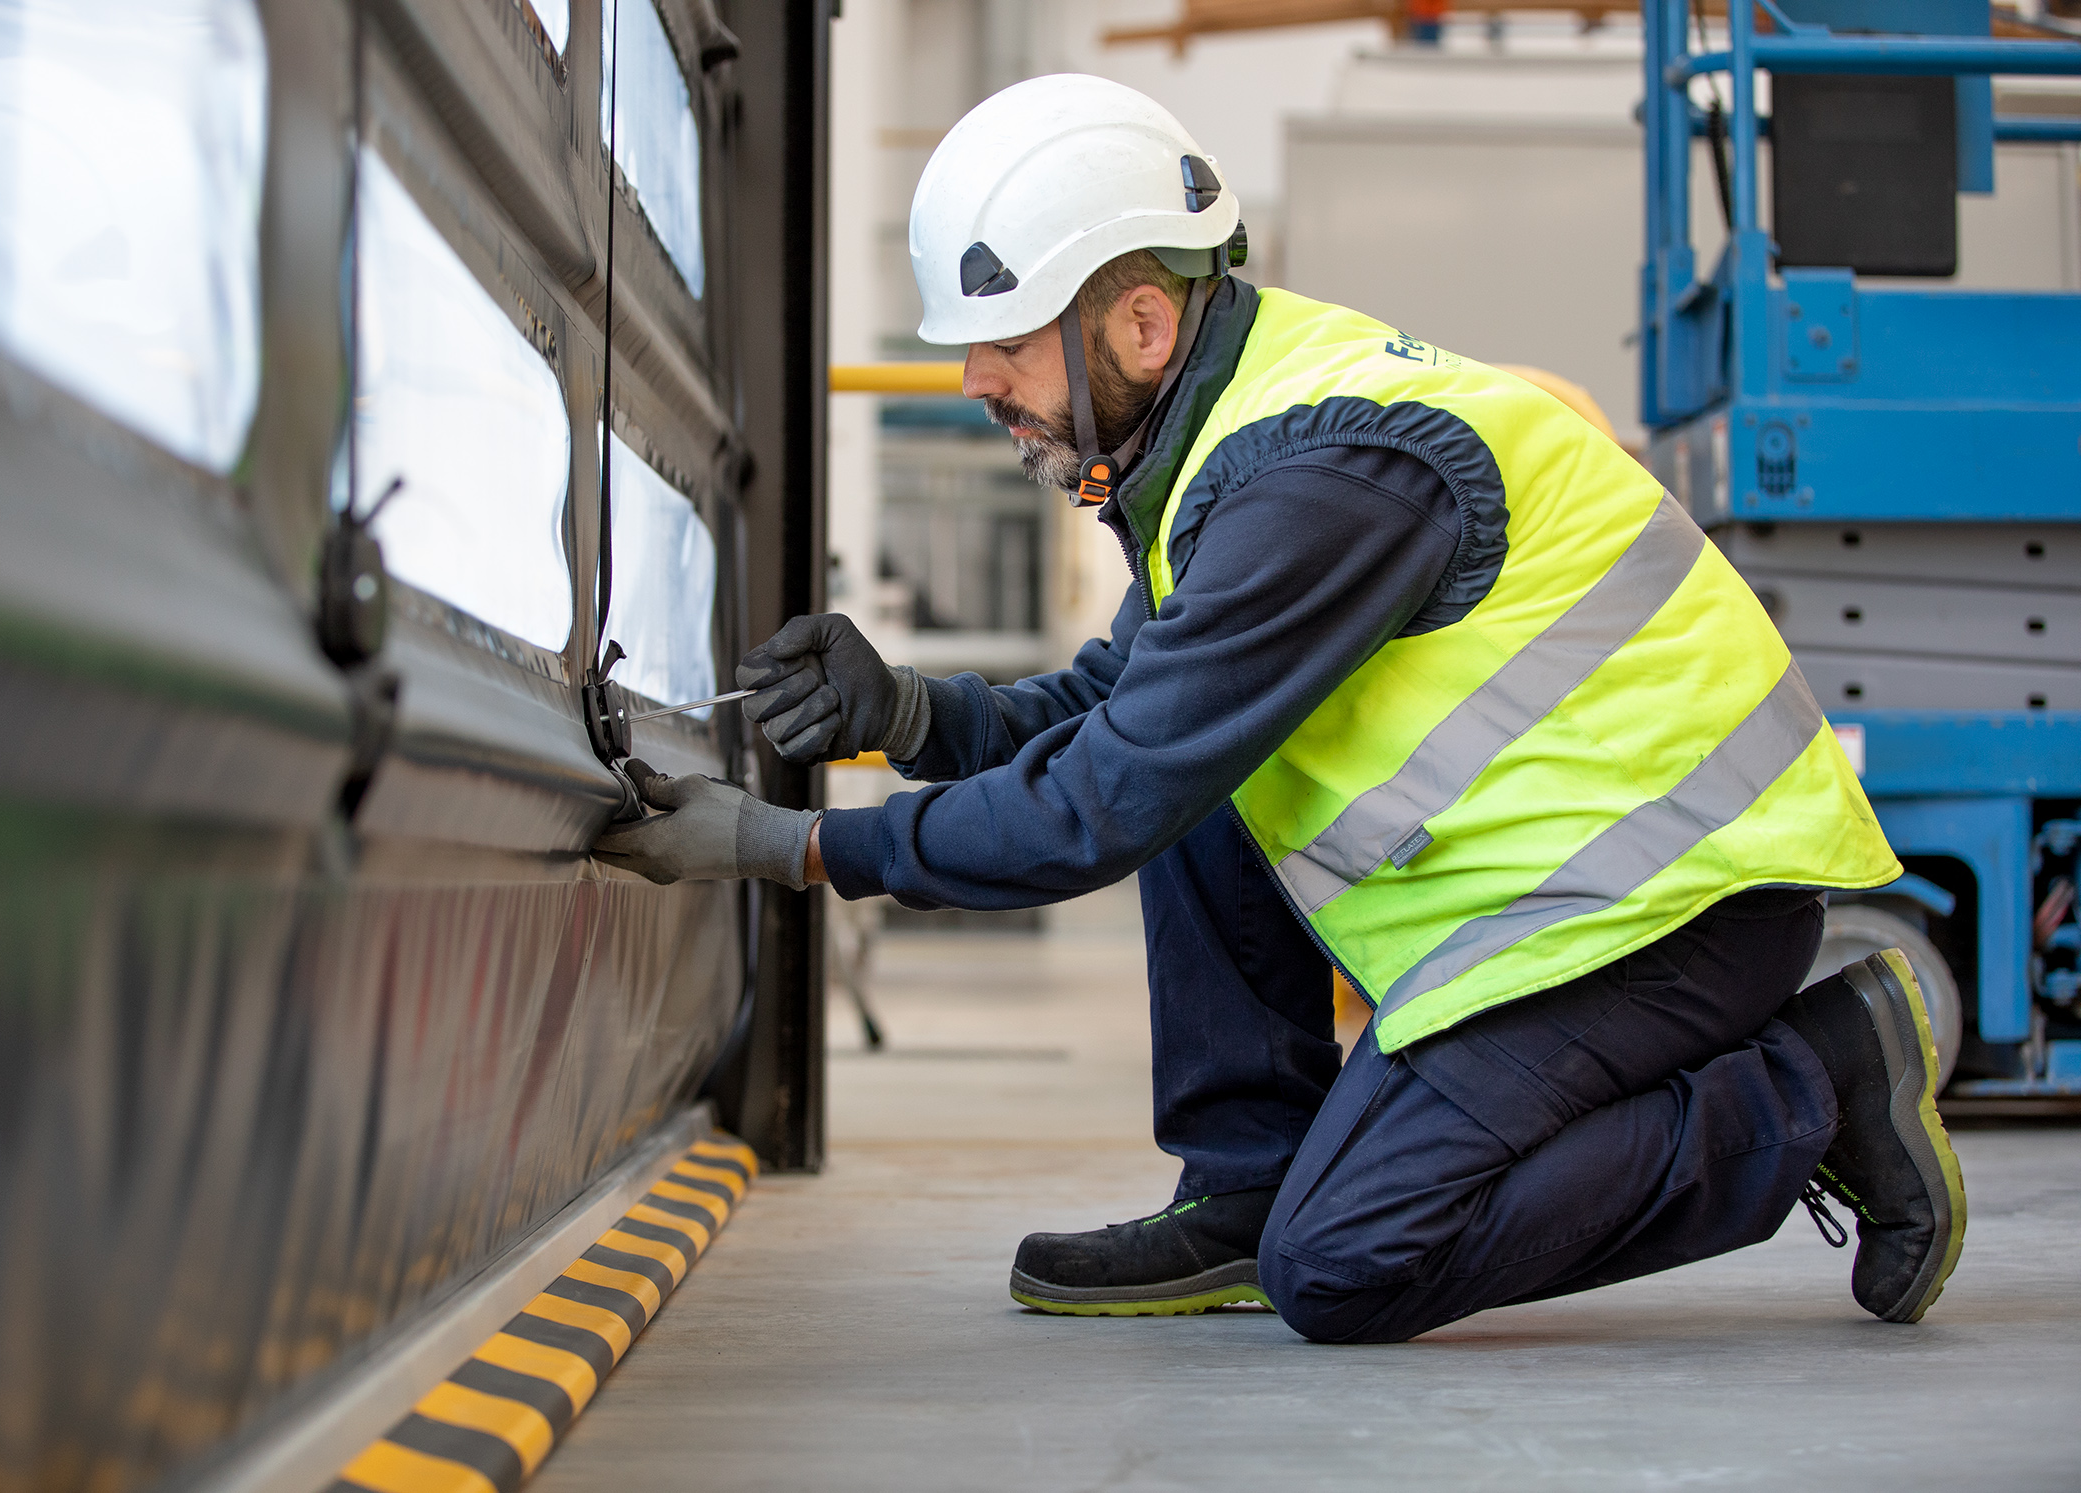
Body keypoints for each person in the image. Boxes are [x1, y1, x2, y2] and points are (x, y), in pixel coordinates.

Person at [594, 75, 1966, 1341]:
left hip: (1674, 908)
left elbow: (1096, 803)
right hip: (1560, 901)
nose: (975, 386)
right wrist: (906, 711)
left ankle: (1821, 1080)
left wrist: (792, 848)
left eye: (1002, 344)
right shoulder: (1228, 437)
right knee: (1183, 761)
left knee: (1353, 1261)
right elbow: (1121, 708)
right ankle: (1249, 1186)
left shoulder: (1324, 477)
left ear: (1135, 323)